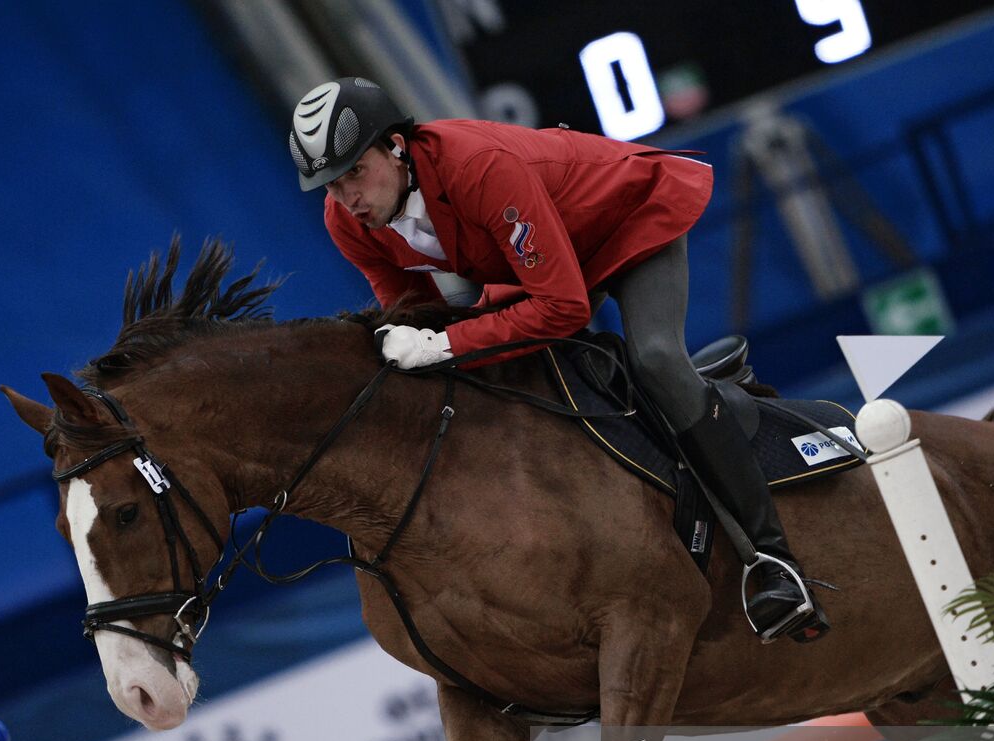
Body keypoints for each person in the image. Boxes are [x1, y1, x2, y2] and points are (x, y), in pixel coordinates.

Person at [288, 76, 821, 642]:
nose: (348, 197)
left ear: (396, 146)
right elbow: (416, 315)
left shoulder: (478, 166)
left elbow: (561, 308)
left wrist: (443, 346)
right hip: (541, 267)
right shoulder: (347, 222)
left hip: (628, 219)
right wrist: (422, 350)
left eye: (354, 173)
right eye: (330, 184)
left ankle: (774, 560)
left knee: (657, 359)